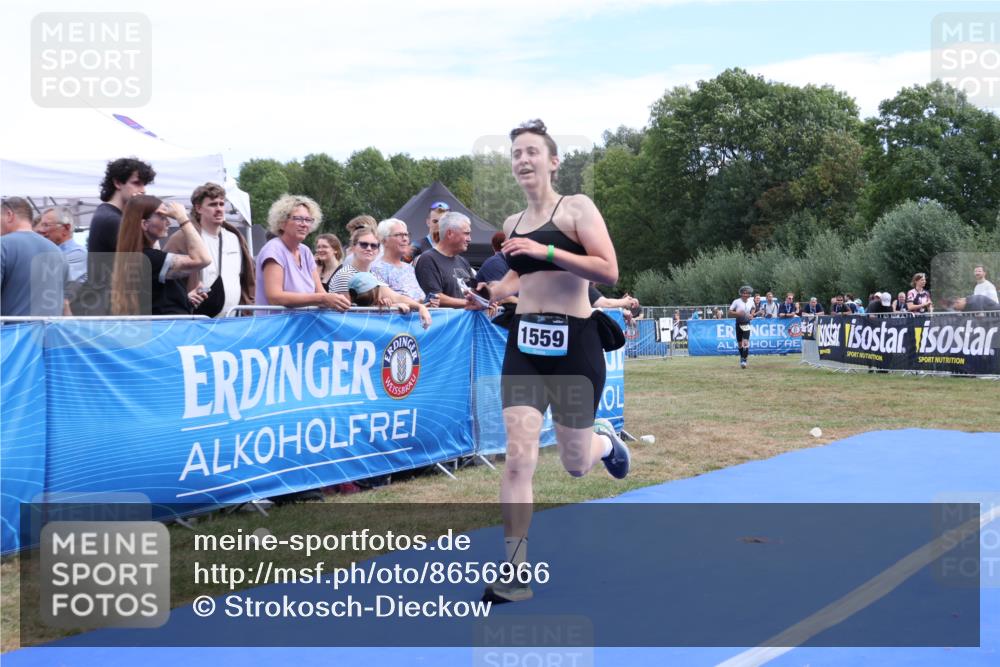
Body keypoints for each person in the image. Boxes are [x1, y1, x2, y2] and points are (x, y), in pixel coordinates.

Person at [467, 119, 629, 605]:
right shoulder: (514, 224)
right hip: (525, 346)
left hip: (576, 343)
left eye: (532, 151)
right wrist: (493, 290)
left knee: (576, 463)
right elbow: (520, 275)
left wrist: (548, 249)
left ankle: (605, 445)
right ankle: (515, 572)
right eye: (515, 153)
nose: (522, 159)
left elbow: (609, 270)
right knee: (519, 456)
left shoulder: (577, 208)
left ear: (553, 161)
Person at [110, 196, 211, 315]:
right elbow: (203, 259)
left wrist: (184, 299)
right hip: (167, 330)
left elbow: (155, 299)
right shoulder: (149, 258)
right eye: (163, 217)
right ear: (145, 224)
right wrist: (183, 219)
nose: (168, 222)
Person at [166, 183, 255, 318]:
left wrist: (248, 303)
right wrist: (185, 298)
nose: (219, 209)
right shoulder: (182, 237)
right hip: (197, 319)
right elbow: (165, 279)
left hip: (234, 319)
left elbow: (246, 276)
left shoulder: (235, 237)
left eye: (221, 204)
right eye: (213, 204)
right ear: (198, 208)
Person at [254, 195, 351, 312]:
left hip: (302, 325)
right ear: (282, 222)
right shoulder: (273, 250)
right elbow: (275, 297)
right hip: (276, 326)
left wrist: (338, 302)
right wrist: (323, 299)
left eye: (308, 220)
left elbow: (320, 292)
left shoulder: (305, 251)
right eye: (298, 219)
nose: (304, 224)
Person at [86, 158, 156, 314]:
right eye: (137, 183)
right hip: (112, 310)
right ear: (118, 183)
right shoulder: (111, 219)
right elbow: (148, 261)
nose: (143, 190)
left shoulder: (112, 216)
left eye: (144, 184)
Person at [1, 197, 69, 317]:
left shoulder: (3, 246)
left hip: (14, 333)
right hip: (49, 332)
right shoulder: (58, 252)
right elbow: (65, 305)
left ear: (9, 215)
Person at [414, 212, 476, 308]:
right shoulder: (428, 259)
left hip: (466, 321)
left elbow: (473, 291)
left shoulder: (462, 261)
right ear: (450, 233)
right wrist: (468, 303)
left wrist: (486, 301)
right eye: (466, 233)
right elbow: (435, 297)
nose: (469, 239)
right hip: (446, 321)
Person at [370, 218, 430, 303]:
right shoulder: (376, 269)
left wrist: (429, 302)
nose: (405, 239)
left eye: (406, 234)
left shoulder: (408, 268)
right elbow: (384, 303)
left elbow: (418, 298)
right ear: (384, 240)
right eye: (399, 235)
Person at [347, 271, 432, 329]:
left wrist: (420, 307)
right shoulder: (350, 311)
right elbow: (364, 313)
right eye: (378, 288)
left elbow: (399, 298)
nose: (382, 290)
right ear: (372, 292)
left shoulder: (381, 292)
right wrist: (388, 307)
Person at [39, 206, 87, 284]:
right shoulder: (49, 251)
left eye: (46, 225)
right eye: (42, 225)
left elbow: (49, 281)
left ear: (65, 228)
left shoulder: (78, 253)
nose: (41, 230)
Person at [728, 285, 755, 369]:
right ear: (741, 294)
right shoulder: (736, 301)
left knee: (746, 342)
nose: (746, 295)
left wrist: (752, 314)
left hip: (747, 323)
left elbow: (753, 308)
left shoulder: (751, 301)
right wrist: (737, 314)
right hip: (738, 323)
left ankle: (744, 360)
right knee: (740, 343)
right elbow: (729, 312)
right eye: (744, 293)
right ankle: (742, 357)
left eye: (748, 293)